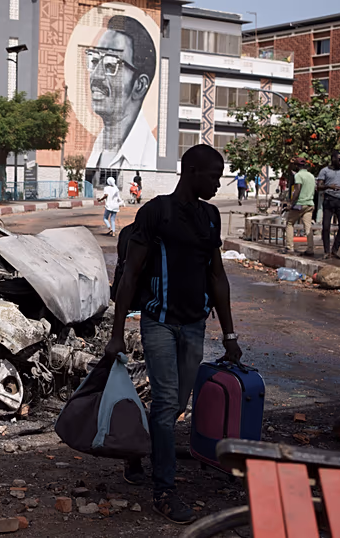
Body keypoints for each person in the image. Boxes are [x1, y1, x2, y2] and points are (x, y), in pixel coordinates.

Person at [105, 144, 241, 525]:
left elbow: (217, 275)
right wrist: (118, 333)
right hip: (159, 322)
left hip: (194, 323)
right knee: (166, 403)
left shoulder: (211, 216)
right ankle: (164, 490)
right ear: (192, 171)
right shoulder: (156, 212)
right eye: (213, 175)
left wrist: (230, 336)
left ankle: (137, 450)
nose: (217, 182)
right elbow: (130, 274)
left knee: (176, 406)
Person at [85, 15, 158, 171]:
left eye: (111, 64)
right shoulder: (96, 149)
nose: (96, 76)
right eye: (95, 60)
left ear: (139, 85)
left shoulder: (149, 159)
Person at [317, 151, 340, 260]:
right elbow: (319, 186)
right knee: (326, 226)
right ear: (333, 159)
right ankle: (326, 251)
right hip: (329, 199)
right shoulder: (324, 171)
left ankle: (335, 250)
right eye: (339, 159)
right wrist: (329, 187)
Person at [283, 158, 316, 256]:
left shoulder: (298, 175)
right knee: (308, 227)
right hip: (310, 204)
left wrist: (291, 204)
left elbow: (297, 190)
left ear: (297, 166)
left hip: (300, 204)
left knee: (289, 223)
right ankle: (310, 249)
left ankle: (289, 247)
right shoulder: (311, 176)